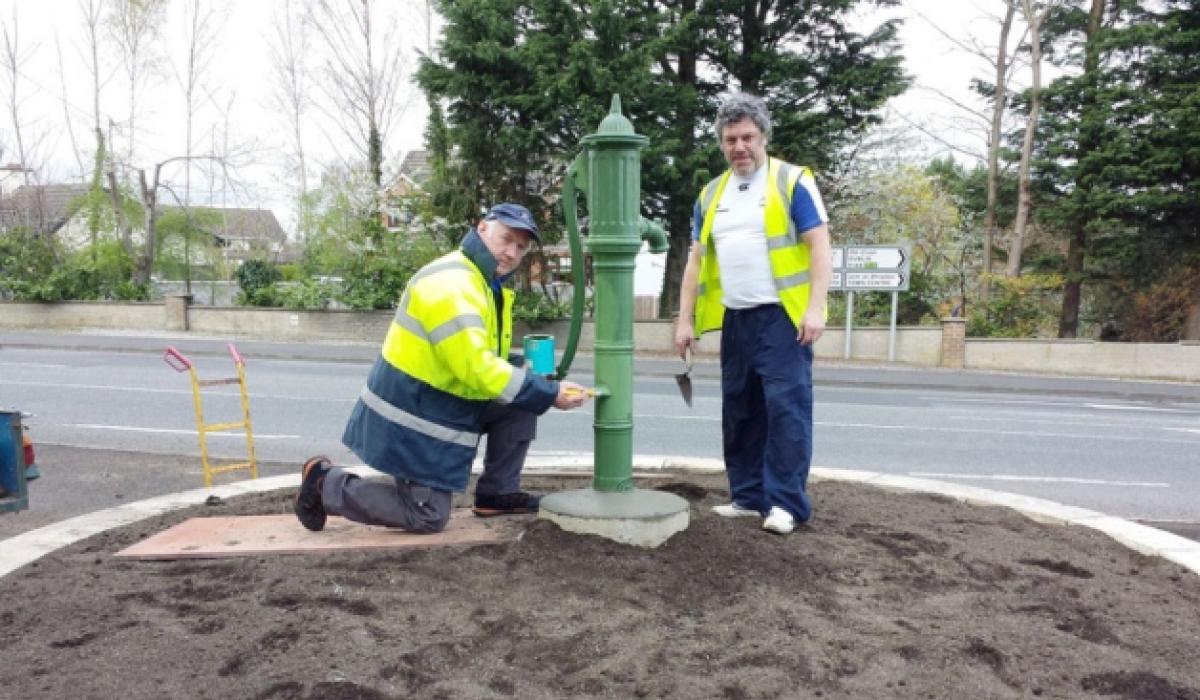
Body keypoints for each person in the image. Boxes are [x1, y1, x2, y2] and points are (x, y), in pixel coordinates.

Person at [295, 203, 591, 534]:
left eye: (520, 247)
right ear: (482, 229)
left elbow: (478, 356)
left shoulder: (486, 281)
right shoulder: (455, 284)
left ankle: (498, 494)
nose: (511, 252)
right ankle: (324, 484)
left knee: (522, 396)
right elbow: (475, 366)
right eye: (505, 239)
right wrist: (548, 393)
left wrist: (529, 379)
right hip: (414, 414)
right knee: (427, 516)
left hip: (438, 400)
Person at [674, 93, 832, 535]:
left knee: (785, 409)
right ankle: (747, 495)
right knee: (740, 409)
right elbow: (695, 261)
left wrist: (815, 308)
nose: (739, 146)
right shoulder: (712, 194)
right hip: (737, 319)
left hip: (783, 319)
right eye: (730, 139)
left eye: (747, 137)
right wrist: (684, 320)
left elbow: (819, 244)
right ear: (722, 144)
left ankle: (785, 504)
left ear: (763, 136)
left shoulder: (791, 181)